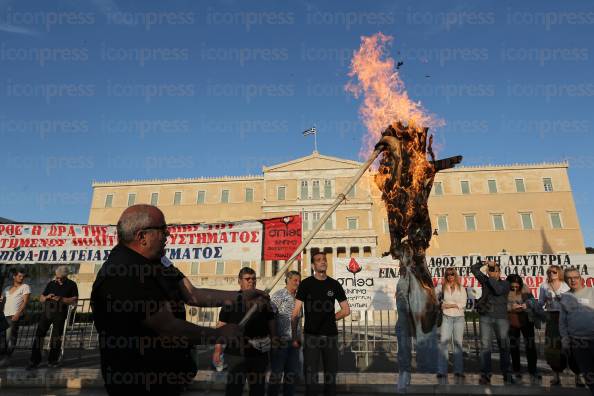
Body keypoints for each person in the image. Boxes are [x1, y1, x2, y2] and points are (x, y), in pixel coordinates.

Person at [91, 204, 267, 396]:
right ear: (142, 237)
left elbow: (192, 294)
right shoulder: (122, 272)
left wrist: (241, 296)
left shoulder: (159, 262)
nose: (168, 235)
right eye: (162, 229)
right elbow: (168, 328)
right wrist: (219, 334)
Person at [291, 252, 350, 396]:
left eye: (324, 260)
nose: (322, 262)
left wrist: (331, 319)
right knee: (310, 375)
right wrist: (294, 336)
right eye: (318, 260)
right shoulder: (306, 284)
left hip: (331, 336)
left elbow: (346, 310)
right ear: (313, 265)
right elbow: (296, 312)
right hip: (311, 336)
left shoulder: (334, 284)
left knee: (331, 375)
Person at [213, 267, 276, 396]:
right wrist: (217, 350)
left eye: (253, 279)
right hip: (236, 354)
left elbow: (271, 321)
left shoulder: (263, 300)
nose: (251, 281)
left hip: (259, 353)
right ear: (239, 281)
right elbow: (221, 326)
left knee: (258, 390)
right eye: (247, 279)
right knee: (234, 389)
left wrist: (274, 340)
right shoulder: (231, 300)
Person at [538, 265, 583, 387]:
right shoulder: (544, 286)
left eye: (554, 272)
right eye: (549, 272)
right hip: (552, 318)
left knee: (572, 346)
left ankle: (578, 377)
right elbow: (540, 302)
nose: (551, 273)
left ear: (559, 273)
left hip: (568, 317)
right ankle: (556, 377)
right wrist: (533, 307)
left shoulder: (566, 285)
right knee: (553, 347)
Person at [470, 260, 513, 385]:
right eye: (492, 270)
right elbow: (474, 269)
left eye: (495, 270)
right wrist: (484, 262)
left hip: (501, 318)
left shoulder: (505, 283)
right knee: (485, 347)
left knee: (504, 346)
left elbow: (498, 290)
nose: (493, 272)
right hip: (486, 317)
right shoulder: (485, 280)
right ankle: (485, 374)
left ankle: (507, 374)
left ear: (500, 273)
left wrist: (491, 277)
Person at [27, 265, 78, 369]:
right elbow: (41, 298)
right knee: (39, 335)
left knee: (56, 337)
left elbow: (74, 300)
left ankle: (52, 360)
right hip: (46, 313)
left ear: (65, 276)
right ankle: (34, 360)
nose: (57, 279)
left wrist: (61, 299)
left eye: (60, 277)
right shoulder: (51, 283)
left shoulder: (71, 284)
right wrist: (46, 297)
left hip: (59, 313)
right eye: (56, 277)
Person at [559, 268, 594, 395]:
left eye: (575, 277)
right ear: (566, 280)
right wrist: (565, 341)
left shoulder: (592, 291)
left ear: (580, 278)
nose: (572, 280)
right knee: (588, 375)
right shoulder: (565, 297)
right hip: (578, 343)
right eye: (569, 278)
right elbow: (562, 322)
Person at [268, 270, 302, 396]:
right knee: (276, 374)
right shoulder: (278, 295)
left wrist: (299, 338)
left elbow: (299, 320)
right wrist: (274, 337)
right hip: (281, 341)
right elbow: (270, 316)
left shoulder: (299, 298)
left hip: (294, 342)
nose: (297, 283)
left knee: (291, 375)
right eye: (295, 280)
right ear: (287, 280)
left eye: (299, 281)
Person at [506, 274, 543, 384]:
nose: (515, 288)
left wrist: (526, 304)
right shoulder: (504, 289)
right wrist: (510, 307)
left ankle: (533, 370)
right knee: (514, 346)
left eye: (517, 286)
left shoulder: (525, 288)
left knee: (530, 346)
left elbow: (532, 300)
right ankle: (516, 370)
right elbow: (500, 304)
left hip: (526, 319)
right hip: (511, 320)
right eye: (513, 287)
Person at [436, 268, 467, 385]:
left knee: (458, 344)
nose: (450, 276)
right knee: (443, 343)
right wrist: (440, 304)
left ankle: (458, 370)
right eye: (448, 274)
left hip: (459, 318)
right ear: (446, 276)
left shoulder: (461, 288)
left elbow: (463, 304)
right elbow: (433, 295)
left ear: (455, 275)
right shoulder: (442, 287)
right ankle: (442, 370)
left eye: (452, 274)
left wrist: (448, 305)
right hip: (446, 318)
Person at [0, 268, 31, 366]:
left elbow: (25, 302)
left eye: (23, 276)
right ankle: (2, 357)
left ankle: (7, 358)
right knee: (2, 338)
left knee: (10, 338)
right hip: (4, 315)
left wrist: (18, 314)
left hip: (13, 315)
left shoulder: (25, 287)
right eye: (19, 276)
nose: (21, 278)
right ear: (14, 277)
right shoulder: (7, 288)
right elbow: (2, 300)